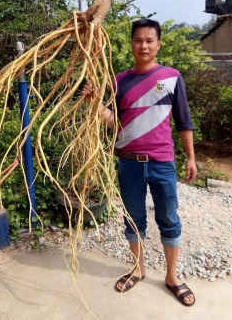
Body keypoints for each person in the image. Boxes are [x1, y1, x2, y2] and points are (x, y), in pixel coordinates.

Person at [81, 18, 197, 306]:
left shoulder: (171, 77)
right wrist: (94, 104)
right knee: (133, 220)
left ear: (158, 44)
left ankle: (172, 277)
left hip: (162, 163)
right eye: (138, 40)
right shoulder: (118, 80)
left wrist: (191, 158)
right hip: (128, 163)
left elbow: (183, 121)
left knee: (169, 220)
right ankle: (137, 269)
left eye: (149, 40)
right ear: (131, 43)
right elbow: (113, 122)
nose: (143, 45)